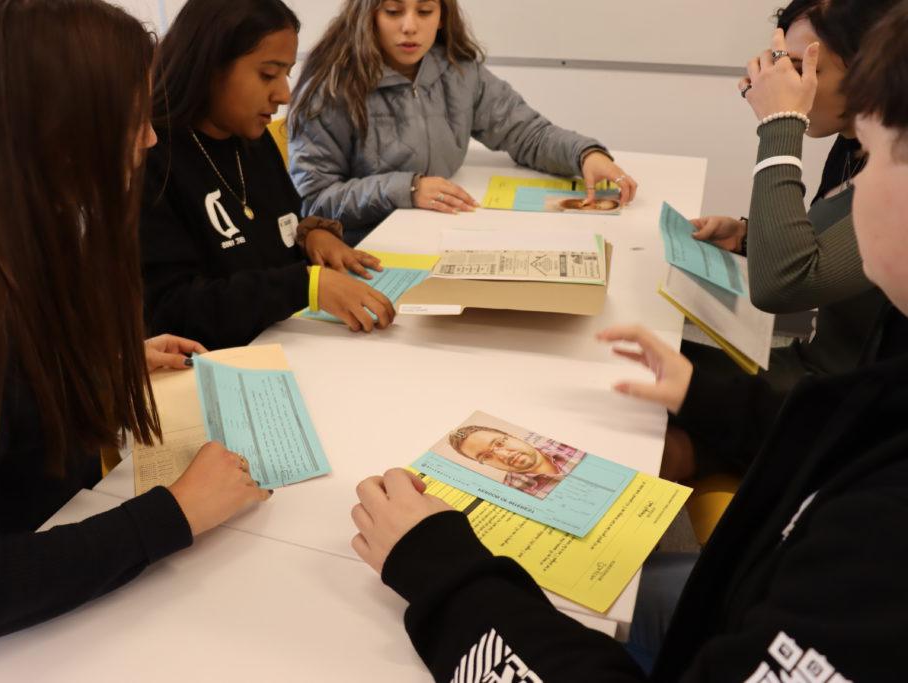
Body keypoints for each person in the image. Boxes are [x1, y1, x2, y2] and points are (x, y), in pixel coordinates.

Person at [349, 6, 908, 679]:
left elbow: (791, 276)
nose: (859, 183)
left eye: (874, 157)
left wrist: (447, 576)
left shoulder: (878, 537)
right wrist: (709, 396)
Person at [0, 0, 270, 655]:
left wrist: (100, 367)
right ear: (62, 127)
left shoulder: (28, 231)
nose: (150, 138)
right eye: (133, 116)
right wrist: (174, 513)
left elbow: (10, 400)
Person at [667, 0, 901, 482]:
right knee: (652, 359)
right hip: (810, 370)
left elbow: (784, 286)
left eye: (800, 68)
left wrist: (780, 126)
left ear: (869, 67)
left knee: (659, 398)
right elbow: (832, 240)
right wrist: (750, 236)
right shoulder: (854, 144)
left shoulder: (895, 170)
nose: (777, 84)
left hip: (848, 409)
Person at [141, 0, 395, 347]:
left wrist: (310, 237)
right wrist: (305, 285)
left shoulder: (250, 137)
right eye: (267, 75)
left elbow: (278, 227)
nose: (284, 94)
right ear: (208, 65)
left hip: (283, 341)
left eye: (287, 73)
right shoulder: (149, 156)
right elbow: (173, 310)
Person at [287, 0, 638, 244]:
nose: (410, 26)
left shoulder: (458, 70)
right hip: (368, 247)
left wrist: (585, 155)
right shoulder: (332, 87)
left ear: (442, 16)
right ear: (368, 15)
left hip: (439, 232)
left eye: (425, 11)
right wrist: (406, 189)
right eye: (393, 11)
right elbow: (313, 202)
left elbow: (525, 132)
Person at [447, 425, 581, 499]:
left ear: (512, 436)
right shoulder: (513, 496)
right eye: (486, 457)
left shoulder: (570, 442)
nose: (504, 455)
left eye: (499, 443)